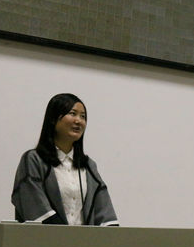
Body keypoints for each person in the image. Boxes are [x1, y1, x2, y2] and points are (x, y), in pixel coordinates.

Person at [11, 93, 119, 226]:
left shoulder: (89, 166)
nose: (78, 121)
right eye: (73, 114)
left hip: (83, 239)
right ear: (53, 119)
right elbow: (32, 204)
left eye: (83, 116)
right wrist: (64, 235)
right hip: (45, 238)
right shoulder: (34, 160)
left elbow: (105, 213)